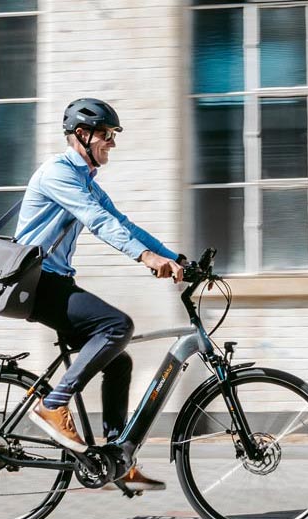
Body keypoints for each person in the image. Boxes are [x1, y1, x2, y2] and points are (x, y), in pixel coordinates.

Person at [15, 98, 184, 491]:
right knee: (117, 325)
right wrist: (144, 257)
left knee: (119, 361)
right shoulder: (57, 174)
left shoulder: (85, 179)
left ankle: (116, 458)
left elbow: (123, 222)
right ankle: (54, 405)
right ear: (82, 135)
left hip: (56, 281)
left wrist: (177, 259)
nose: (112, 143)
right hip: (37, 283)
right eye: (107, 135)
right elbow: (98, 221)